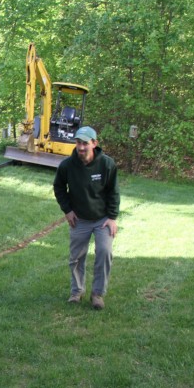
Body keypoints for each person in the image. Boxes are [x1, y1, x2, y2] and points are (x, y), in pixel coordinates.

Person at [53, 126, 120, 310]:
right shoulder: (67, 165)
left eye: (85, 143)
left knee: (104, 252)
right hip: (79, 219)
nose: (81, 147)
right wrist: (67, 210)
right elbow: (58, 187)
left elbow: (113, 192)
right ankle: (77, 292)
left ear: (94, 143)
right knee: (76, 257)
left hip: (102, 220)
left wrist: (112, 217)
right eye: (78, 143)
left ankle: (97, 294)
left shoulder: (107, 164)